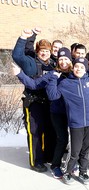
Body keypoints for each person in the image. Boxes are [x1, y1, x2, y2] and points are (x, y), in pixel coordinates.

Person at [12, 47, 72, 178]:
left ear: (70, 60)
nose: (63, 61)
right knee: (61, 138)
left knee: (70, 138)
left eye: (66, 58)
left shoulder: (76, 72)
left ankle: (68, 162)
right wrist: (19, 74)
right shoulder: (52, 74)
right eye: (61, 59)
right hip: (57, 111)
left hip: (72, 112)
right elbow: (33, 85)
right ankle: (52, 164)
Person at [12, 29, 56, 173]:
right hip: (33, 103)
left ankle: (47, 156)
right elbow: (17, 55)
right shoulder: (30, 62)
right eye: (42, 51)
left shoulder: (52, 64)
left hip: (48, 103)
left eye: (47, 51)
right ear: (37, 51)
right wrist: (23, 37)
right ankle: (36, 161)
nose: (44, 53)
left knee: (49, 131)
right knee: (35, 132)